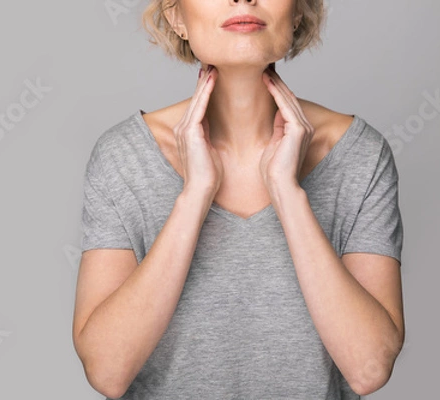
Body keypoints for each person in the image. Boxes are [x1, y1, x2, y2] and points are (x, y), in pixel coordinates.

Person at [72, 0, 405, 398]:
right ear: (176, 17)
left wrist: (287, 191)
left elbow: (369, 368)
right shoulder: (123, 156)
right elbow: (107, 373)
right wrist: (195, 194)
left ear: (297, 11)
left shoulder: (361, 155)